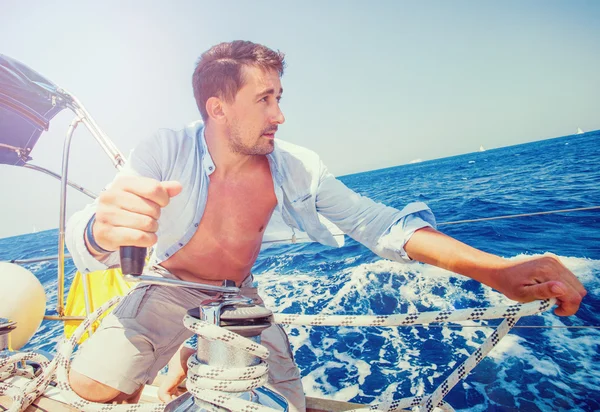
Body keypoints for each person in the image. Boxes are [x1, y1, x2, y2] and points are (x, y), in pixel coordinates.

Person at [65, 40, 586, 411]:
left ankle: (188, 352)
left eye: (279, 97)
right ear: (217, 108)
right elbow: (100, 223)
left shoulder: (296, 166)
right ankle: (181, 351)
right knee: (92, 391)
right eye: (264, 100)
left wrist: (496, 269)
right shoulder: (165, 148)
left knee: (285, 406)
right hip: (170, 287)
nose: (280, 115)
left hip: (235, 299)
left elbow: (375, 222)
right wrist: (101, 231)